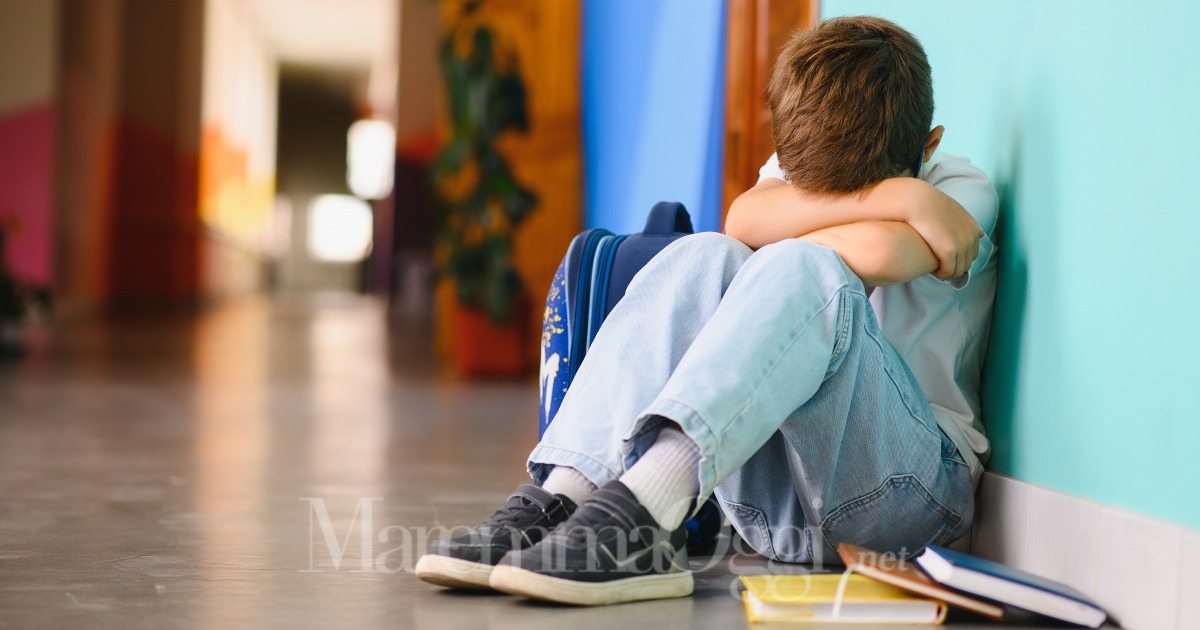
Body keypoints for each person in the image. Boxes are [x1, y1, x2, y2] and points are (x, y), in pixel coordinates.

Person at [416, 15, 998, 606]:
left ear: (930, 146)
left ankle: (644, 511)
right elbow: (741, 221)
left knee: (803, 265)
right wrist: (901, 194)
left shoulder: (960, 189)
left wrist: (909, 195)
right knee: (706, 255)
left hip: (910, 502)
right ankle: (572, 494)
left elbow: (876, 251)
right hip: (775, 511)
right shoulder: (906, 193)